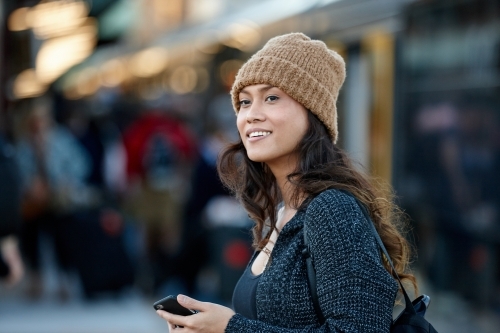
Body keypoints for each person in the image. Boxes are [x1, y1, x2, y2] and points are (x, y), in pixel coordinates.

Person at [156, 32, 417, 332]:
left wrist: (232, 328)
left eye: (271, 98)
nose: (251, 115)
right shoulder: (282, 212)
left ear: (313, 113)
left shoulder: (332, 210)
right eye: (243, 102)